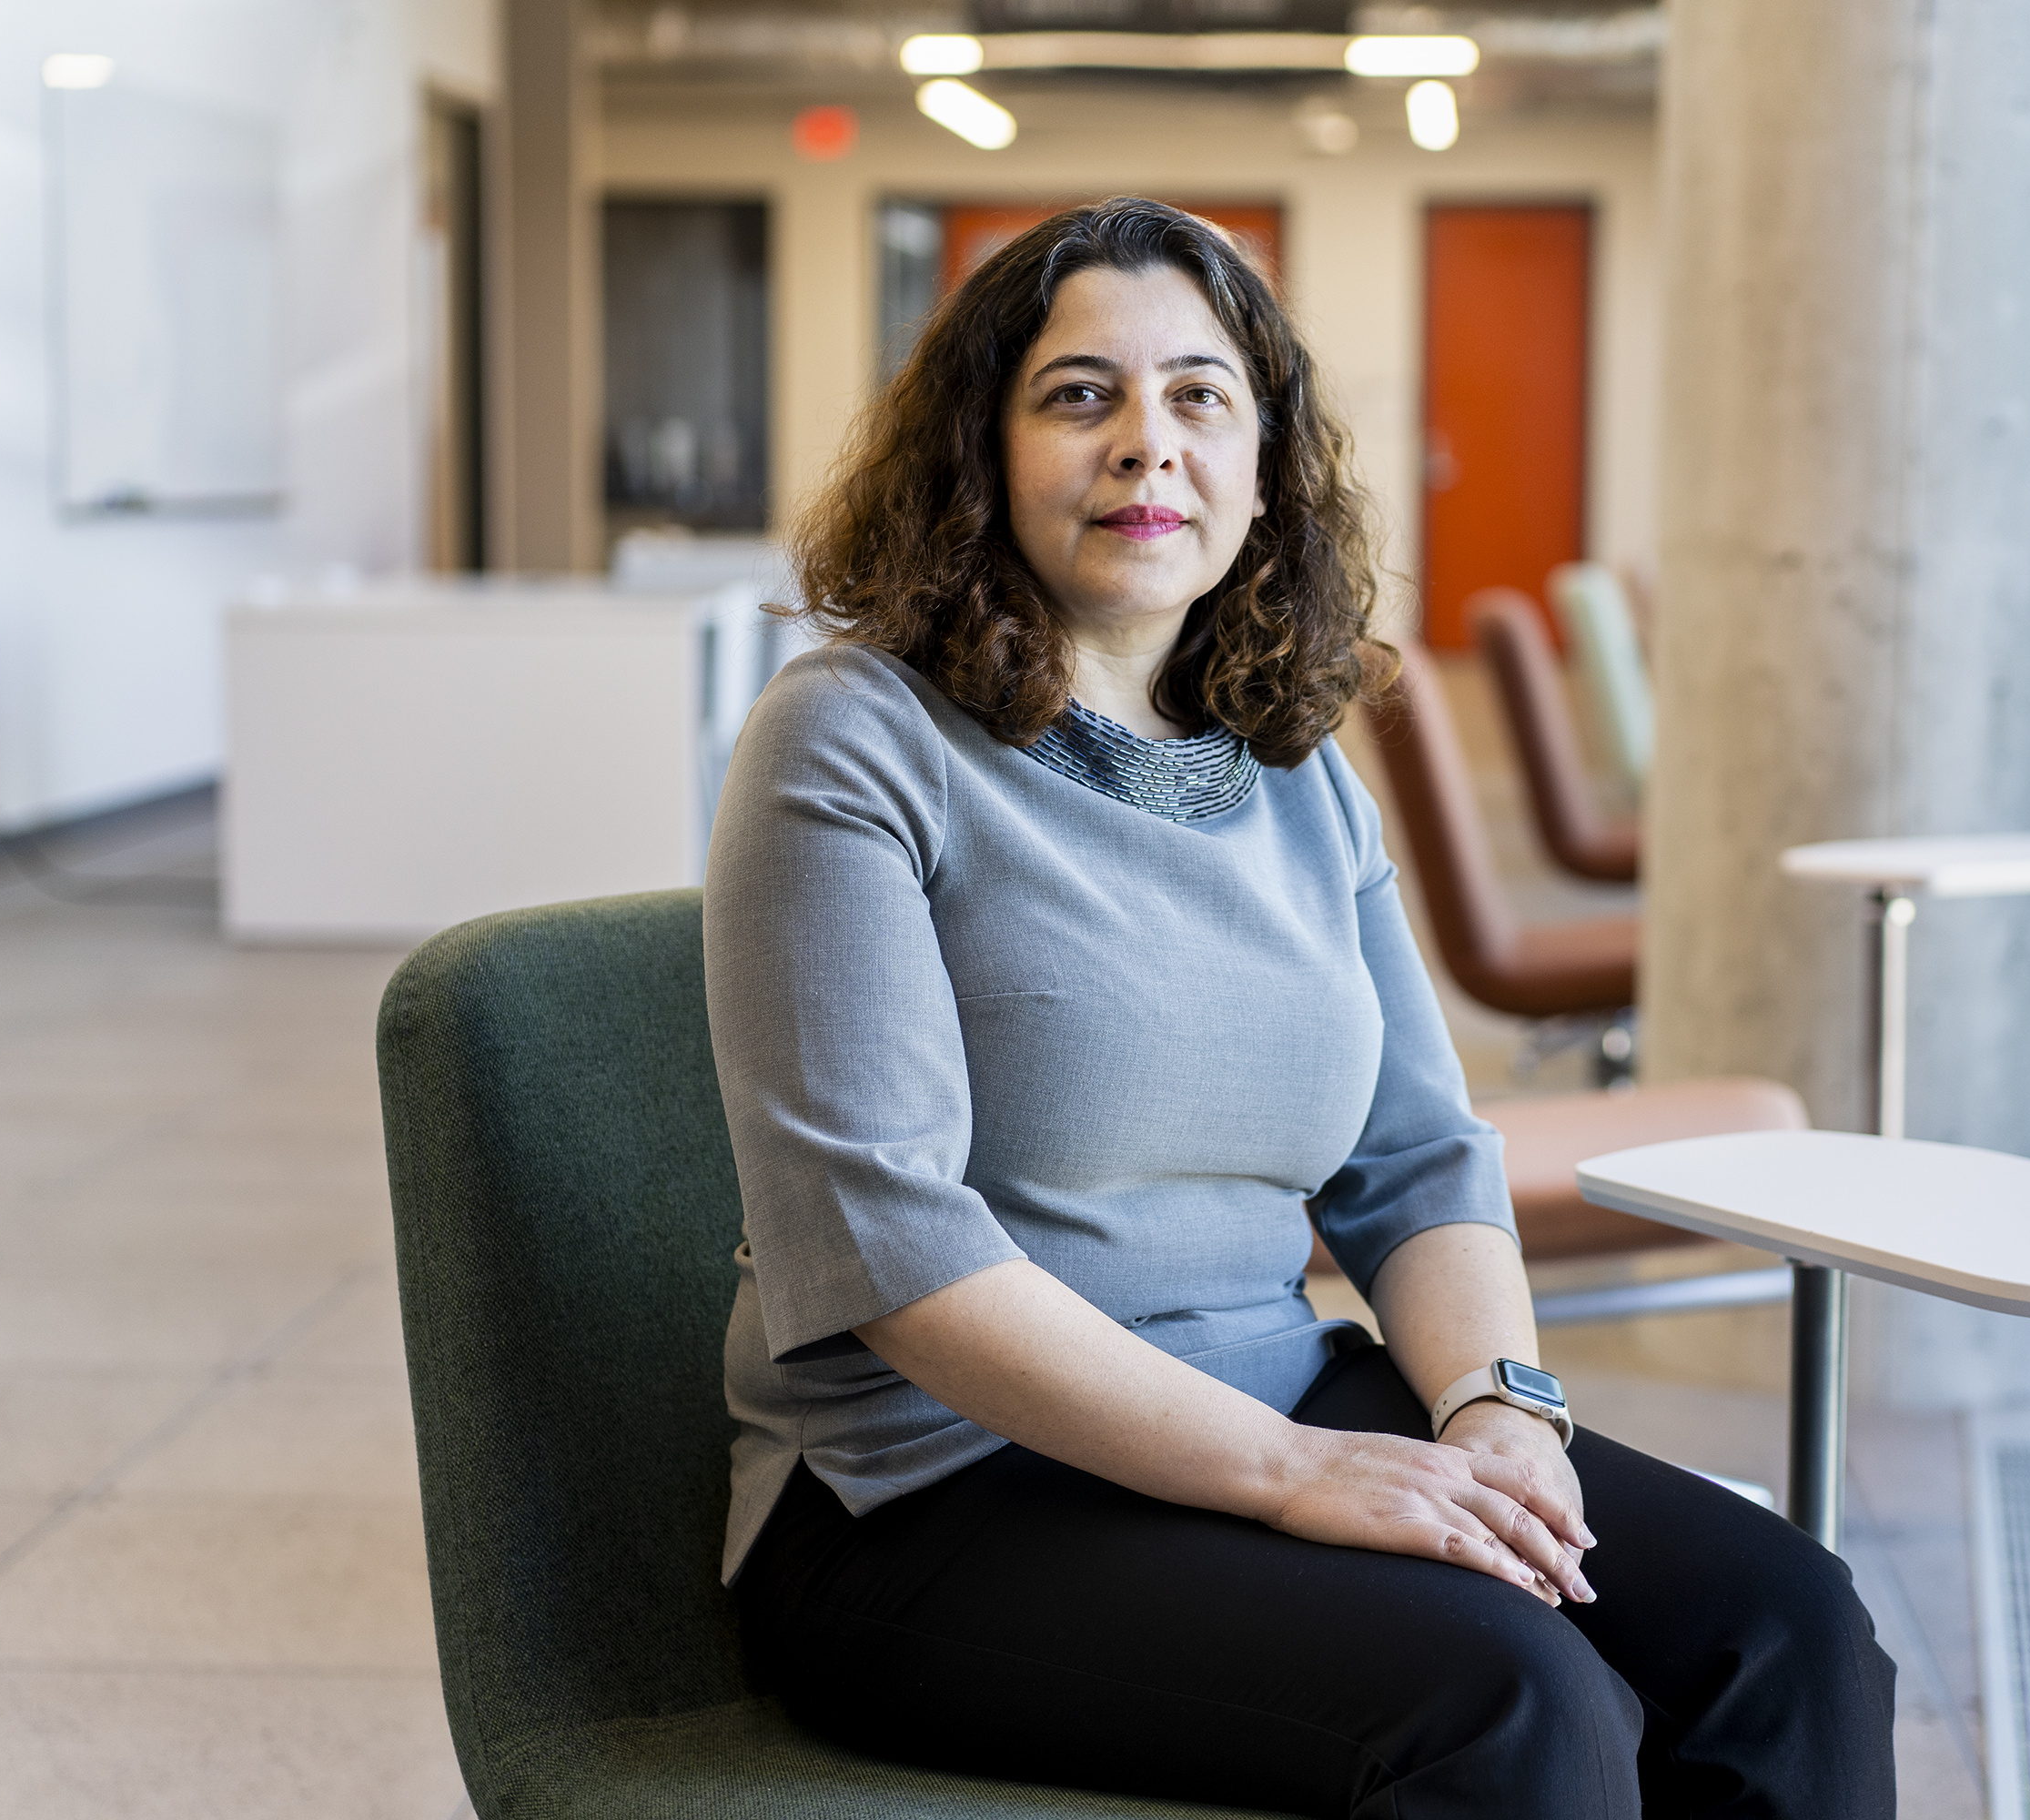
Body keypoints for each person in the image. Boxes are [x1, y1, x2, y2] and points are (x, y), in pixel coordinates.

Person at [705, 196, 1895, 1819]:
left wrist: (1497, 1411)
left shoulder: (1293, 769)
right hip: (932, 1488)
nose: (1147, 444)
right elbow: (895, 1249)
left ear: (1263, 468)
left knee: (1790, 1632)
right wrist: (1295, 1473)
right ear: (977, 456)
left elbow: (1418, 1160)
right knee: (1515, 1706)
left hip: (1275, 1385)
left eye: (1201, 396)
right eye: (1080, 396)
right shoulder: (852, 738)